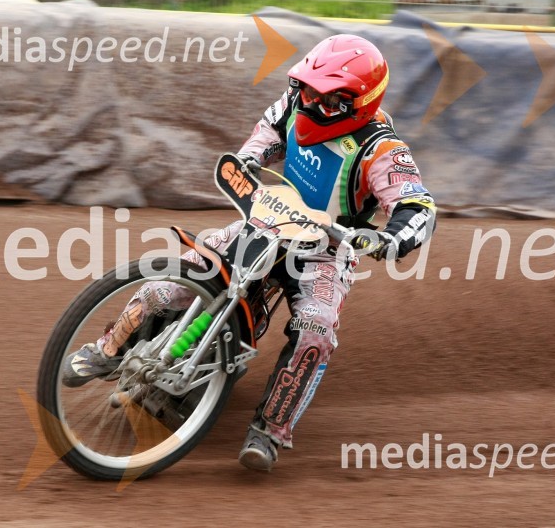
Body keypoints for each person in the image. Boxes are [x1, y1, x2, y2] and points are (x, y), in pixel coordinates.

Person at [61, 34, 437, 472]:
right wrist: (250, 159)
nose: (312, 104)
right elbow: (267, 134)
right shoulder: (294, 103)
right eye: (308, 90)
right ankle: (107, 348)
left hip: (326, 250)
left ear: (360, 104)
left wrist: (387, 239)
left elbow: (418, 207)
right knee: (174, 281)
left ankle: (271, 429)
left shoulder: (383, 150)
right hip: (266, 221)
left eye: (328, 99)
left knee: (316, 329)